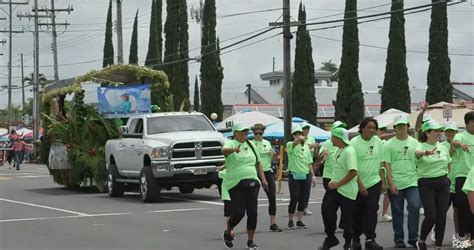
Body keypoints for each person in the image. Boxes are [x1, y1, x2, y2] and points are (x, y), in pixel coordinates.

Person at [221, 123, 268, 249]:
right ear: (235, 132)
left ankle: (250, 241)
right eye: (241, 131)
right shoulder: (230, 143)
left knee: (253, 213)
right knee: (239, 212)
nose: (244, 134)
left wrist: (264, 180)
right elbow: (223, 151)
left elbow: (258, 164)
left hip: (253, 181)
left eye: (246, 131)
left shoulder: (251, 144)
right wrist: (234, 150)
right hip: (235, 183)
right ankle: (228, 231)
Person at [384, 115, 421, 248]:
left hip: (412, 181)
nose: (401, 128)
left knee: (414, 206)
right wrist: (391, 183)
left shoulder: (415, 142)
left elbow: (420, 161)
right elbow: (387, 165)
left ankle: (413, 237)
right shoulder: (388, 145)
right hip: (396, 182)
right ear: (394, 128)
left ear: (407, 127)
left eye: (403, 125)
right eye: (398, 126)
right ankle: (399, 238)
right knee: (397, 212)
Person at [319, 127, 358, 250]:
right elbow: (337, 170)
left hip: (347, 191)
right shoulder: (338, 151)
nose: (331, 139)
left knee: (348, 219)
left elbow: (353, 172)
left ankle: (348, 243)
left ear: (339, 138)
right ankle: (331, 238)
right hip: (335, 188)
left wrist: (338, 184)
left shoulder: (349, 151)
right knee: (326, 210)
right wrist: (332, 182)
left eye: (333, 137)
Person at [414, 120, 451, 250]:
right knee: (431, 216)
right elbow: (417, 154)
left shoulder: (443, 147)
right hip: (426, 183)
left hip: (443, 183)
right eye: (436, 131)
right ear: (427, 132)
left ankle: (438, 246)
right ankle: (422, 240)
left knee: (442, 216)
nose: (439, 133)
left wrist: (443, 176)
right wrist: (425, 153)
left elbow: (448, 165)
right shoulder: (420, 146)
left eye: (440, 131)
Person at [349, 118, 384, 250]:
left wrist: (383, 182)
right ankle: (355, 239)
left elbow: (381, 164)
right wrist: (360, 185)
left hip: (374, 182)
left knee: (372, 211)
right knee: (357, 212)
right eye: (369, 127)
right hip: (357, 183)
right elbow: (352, 167)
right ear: (362, 128)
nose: (372, 130)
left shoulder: (378, 142)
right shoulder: (354, 143)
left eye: (374, 128)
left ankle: (370, 239)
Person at [251, 123, 282, 232]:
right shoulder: (251, 144)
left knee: (272, 197)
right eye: (256, 133)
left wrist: (275, 157)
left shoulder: (267, 143)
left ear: (263, 133)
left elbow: (273, 159)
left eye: (260, 133)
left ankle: (273, 223)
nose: (258, 135)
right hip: (254, 172)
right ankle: (251, 223)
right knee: (252, 199)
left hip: (267, 171)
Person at [319, 121, 347, 230]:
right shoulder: (327, 143)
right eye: (338, 129)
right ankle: (332, 225)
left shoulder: (347, 144)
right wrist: (323, 155)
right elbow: (320, 159)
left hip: (343, 176)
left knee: (345, 201)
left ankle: (343, 224)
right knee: (332, 203)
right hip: (329, 176)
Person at [286, 125, 316, 230]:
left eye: (300, 133)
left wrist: (313, 176)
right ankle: (290, 220)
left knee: (303, 198)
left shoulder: (306, 147)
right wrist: (299, 138)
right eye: (296, 133)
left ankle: (299, 220)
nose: (298, 135)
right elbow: (294, 143)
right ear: (293, 135)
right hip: (294, 174)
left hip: (306, 174)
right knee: (294, 198)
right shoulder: (290, 144)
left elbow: (309, 163)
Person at [451, 111, 474, 242]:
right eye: (472, 122)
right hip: (463, 176)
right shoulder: (461, 136)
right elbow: (455, 142)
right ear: (467, 123)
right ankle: (463, 239)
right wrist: (461, 145)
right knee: (463, 206)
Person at [440, 122, 460, 239]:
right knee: (442, 210)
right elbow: (445, 159)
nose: (450, 134)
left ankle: (458, 235)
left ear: (456, 132)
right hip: (446, 183)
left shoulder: (461, 143)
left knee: (457, 212)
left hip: (458, 184)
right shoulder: (441, 145)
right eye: (448, 131)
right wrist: (451, 149)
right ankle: (435, 231)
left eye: (452, 131)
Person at [301, 122, 319, 216]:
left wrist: (316, 148)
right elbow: (301, 147)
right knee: (300, 189)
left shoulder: (311, 138)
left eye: (307, 129)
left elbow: (314, 153)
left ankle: (305, 207)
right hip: (300, 165)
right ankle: (300, 206)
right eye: (304, 129)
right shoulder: (299, 138)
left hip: (309, 163)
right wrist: (312, 146)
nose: (306, 130)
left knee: (307, 189)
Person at [377, 126, 392, 222]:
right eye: (381, 130)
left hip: (383, 169)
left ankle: (384, 213)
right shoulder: (376, 141)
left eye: (384, 130)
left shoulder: (385, 143)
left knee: (387, 193)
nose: (382, 132)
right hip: (375, 169)